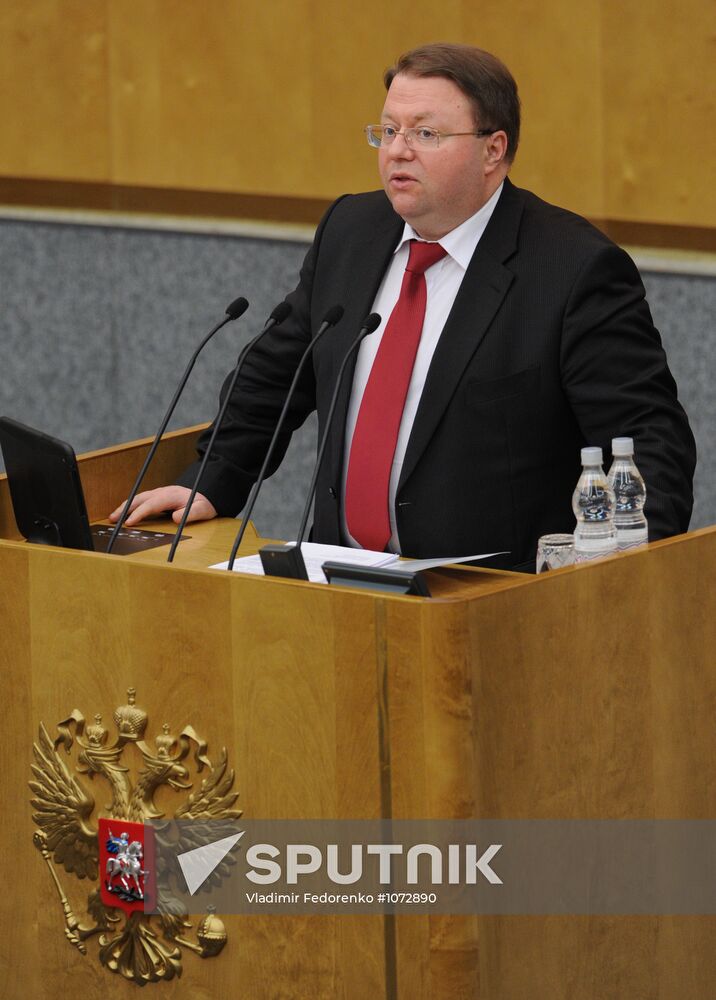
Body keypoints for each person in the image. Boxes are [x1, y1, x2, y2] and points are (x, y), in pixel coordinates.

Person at [110, 43, 695, 571]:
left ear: (494, 150)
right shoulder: (352, 230)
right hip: (338, 574)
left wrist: (621, 588)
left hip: (491, 599)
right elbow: (277, 373)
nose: (397, 151)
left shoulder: (572, 270)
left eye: (425, 134)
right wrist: (212, 480)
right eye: (387, 131)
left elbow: (647, 441)